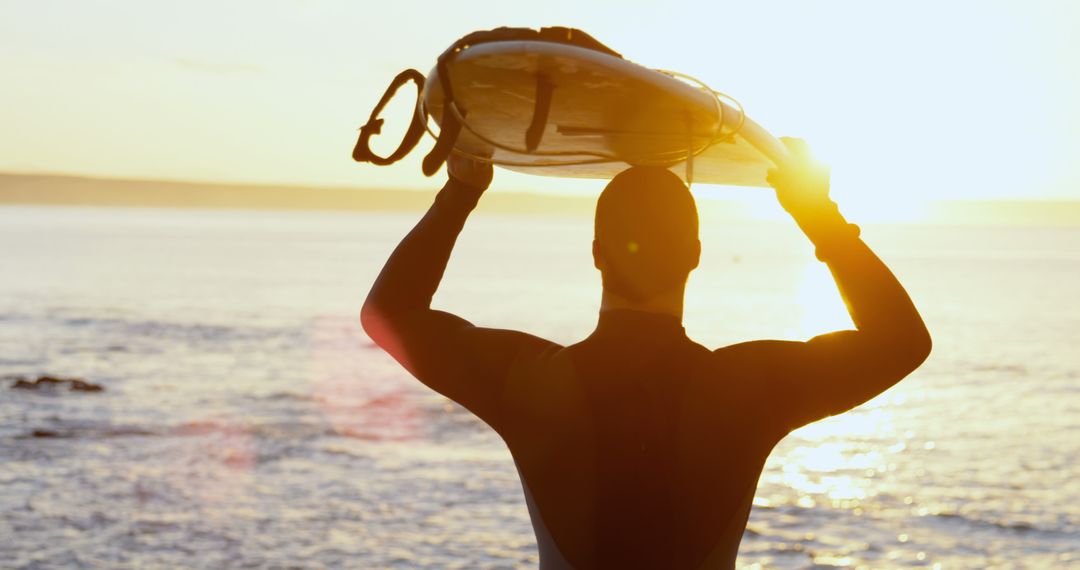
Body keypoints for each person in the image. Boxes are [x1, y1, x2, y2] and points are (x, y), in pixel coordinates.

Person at [361, 139, 931, 569]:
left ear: (596, 254)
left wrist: (461, 190)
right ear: (696, 255)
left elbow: (388, 315)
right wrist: (817, 215)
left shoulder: (530, 383)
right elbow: (902, 342)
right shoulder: (747, 388)